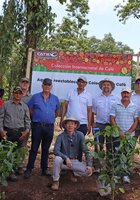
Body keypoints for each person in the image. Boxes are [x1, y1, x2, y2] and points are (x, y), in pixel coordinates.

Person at [24, 78, 60, 179]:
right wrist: (37, 116)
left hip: (49, 126)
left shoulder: (55, 98)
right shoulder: (35, 97)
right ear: (42, 86)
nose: (47, 87)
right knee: (34, 147)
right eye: (45, 85)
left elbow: (56, 112)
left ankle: (44, 169)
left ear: (51, 87)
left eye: (49, 85)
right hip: (37, 126)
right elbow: (29, 110)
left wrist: (48, 118)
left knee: (46, 148)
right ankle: (29, 169)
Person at [51, 117, 92, 191]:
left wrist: (89, 165)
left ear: (75, 125)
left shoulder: (80, 135)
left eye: (72, 124)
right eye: (68, 124)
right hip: (63, 162)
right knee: (57, 159)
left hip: (74, 161)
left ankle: (72, 172)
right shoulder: (60, 136)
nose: (70, 126)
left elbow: (86, 150)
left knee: (88, 173)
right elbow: (56, 150)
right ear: (65, 125)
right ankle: (56, 181)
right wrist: (66, 158)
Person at [0, 86, 31, 181]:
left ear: (22, 95)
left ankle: (15, 169)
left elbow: (28, 120)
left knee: (18, 152)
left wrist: (26, 131)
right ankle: (8, 172)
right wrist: (1, 130)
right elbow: (0, 118)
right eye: (16, 93)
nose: (18, 94)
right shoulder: (6, 104)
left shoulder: (25, 106)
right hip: (8, 131)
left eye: (20, 93)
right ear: (13, 93)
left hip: (20, 133)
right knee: (7, 152)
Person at [110, 87, 138, 183]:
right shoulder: (115, 105)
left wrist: (129, 131)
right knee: (117, 154)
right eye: (124, 93)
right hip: (117, 135)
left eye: (127, 93)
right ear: (121, 94)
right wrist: (119, 131)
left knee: (127, 154)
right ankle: (116, 175)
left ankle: (125, 174)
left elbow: (136, 121)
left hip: (129, 136)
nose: (125, 95)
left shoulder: (135, 107)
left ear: (130, 94)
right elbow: (112, 119)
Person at [92, 79, 119, 171]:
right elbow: (93, 112)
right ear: (101, 87)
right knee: (98, 145)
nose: (106, 86)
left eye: (108, 85)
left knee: (110, 146)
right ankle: (97, 167)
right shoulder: (96, 98)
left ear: (111, 87)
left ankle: (109, 167)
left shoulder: (116, 98)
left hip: (111, 125)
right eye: (104, 85)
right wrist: (93, 124)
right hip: (99, 125)